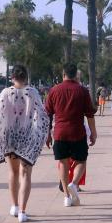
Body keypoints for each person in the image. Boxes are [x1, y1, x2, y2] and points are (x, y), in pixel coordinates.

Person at [0, 64, 49, 223]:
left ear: (12, 77)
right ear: (26, 77)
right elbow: (43, 116)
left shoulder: (5, 93)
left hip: (9, 137)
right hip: (27, 137)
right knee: (25, 173)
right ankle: (22, 211)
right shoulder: (33, 93)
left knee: (13, 172)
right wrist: (42, 134)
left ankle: (14, 205)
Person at [44, 62, 97, 207]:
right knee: (81, 160)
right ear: (75, 75)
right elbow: (90, 115)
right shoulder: (82, 91)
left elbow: (47, 114)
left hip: (60, 133)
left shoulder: (54, 91)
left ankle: (66, 197)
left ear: (63, 74)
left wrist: (47, 134)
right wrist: (93, 133)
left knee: (63, 163)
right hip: (77, 133)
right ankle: (73, 183)